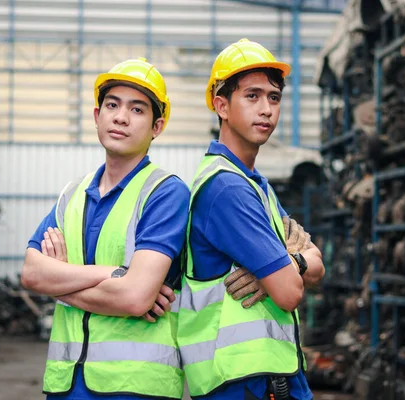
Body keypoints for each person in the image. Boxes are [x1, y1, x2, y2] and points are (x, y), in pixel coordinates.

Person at [20, 57, 189, 400]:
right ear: (97, 116)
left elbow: (135, 296)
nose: (121, 117)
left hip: (135, 387)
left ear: (157, 127)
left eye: (137, 110)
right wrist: (114, 273)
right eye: (112, 105)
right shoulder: (72, 196)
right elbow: (32, 274)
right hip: (66, 384)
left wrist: (62, 281)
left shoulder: (165, 192)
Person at [176, 38, 325, 400]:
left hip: (268, 375)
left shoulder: (254, 184)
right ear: (221, 105)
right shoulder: (227, 188)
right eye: (252, 96)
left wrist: (292, 261)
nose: (266, 109)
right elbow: (290, 292)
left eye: (273, 98)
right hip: (244, 382)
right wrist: (288, 269)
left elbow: (317, 264)